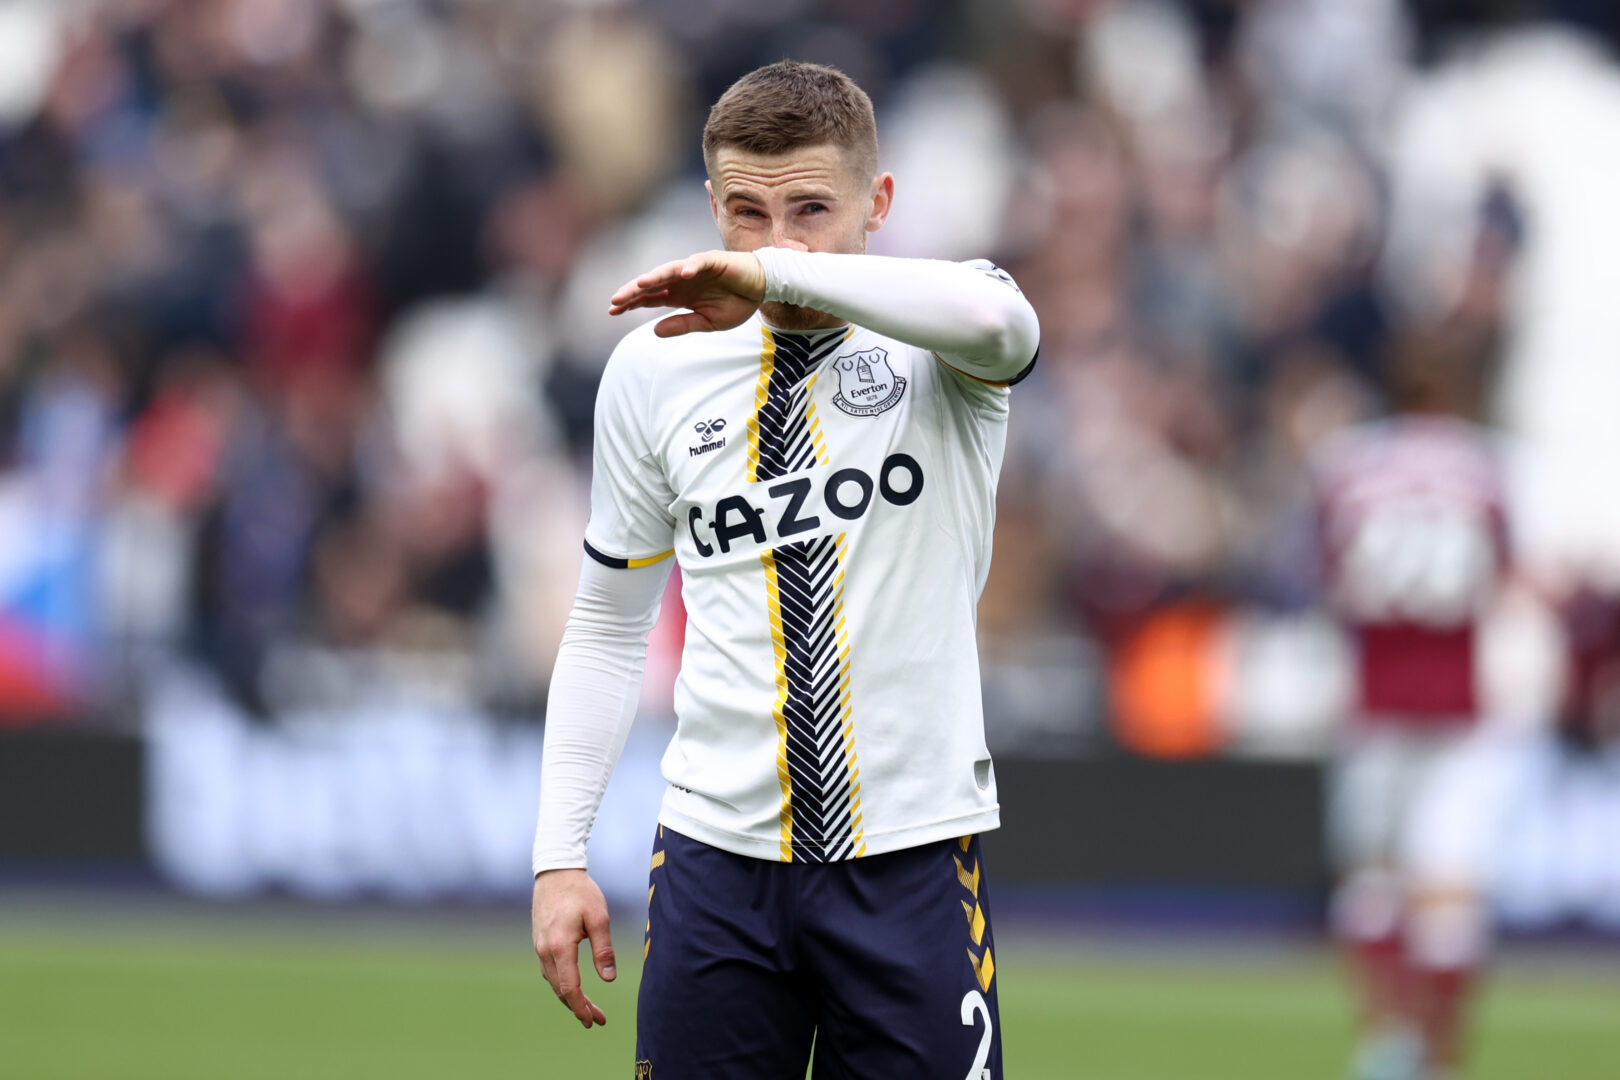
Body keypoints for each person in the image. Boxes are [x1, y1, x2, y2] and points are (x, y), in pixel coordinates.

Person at [528, 60, 1038, 1079]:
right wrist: (558, 855)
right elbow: (609, 624)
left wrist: (775, 280)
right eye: (748, 215)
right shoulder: (655, 367)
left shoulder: (940, 335)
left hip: (909, 856)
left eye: (812, 210)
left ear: (877, 202)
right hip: (716, 864)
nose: (776, 242)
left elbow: (1005, 329)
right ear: (711, 206)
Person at [1308, 343, 1520, 1080]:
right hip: (1460, 702)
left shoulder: (1348, 467)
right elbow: (1504, 577)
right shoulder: (1487, 467)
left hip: (1376, 698)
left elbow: (1330, 576)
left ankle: (1385, 1043)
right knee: (1450, 895)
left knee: (1371, 884)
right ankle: (1442, 1057)